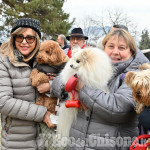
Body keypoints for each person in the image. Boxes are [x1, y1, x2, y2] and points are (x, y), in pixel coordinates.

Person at [50, 29, 149, 150]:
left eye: (122, 48)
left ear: (131, 51)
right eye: (111, 46)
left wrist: (81, 89)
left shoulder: (137, 76)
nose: (115, 52)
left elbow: (119, 108)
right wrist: (71, 86)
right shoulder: (95, 63)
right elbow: (57, 83)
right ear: (104, 48)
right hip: (77, 143)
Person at [0, 18, 52, 150]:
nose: (24, 42)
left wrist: (52, 85)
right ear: (13, 38)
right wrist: (43, 113)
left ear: (37, 40)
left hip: (44, 139)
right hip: (17, 140)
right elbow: (3, 102)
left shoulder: (43, 61)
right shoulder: (4, 62)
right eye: (19, 37)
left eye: (30, 38)